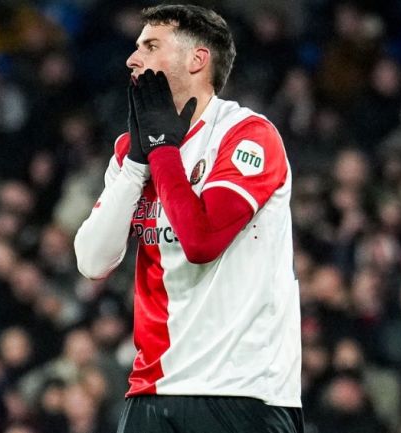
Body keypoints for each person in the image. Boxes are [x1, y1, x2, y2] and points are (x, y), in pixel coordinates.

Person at [73, 4, 302, 433]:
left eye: (150, 45)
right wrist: (138, 163)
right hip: (151, 390)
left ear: (198, 60)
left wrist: (161, 151)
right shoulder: (131, 149)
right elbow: (91, 261)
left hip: (242, 390)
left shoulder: (247, 134)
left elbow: (200, 241)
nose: (132, 58)